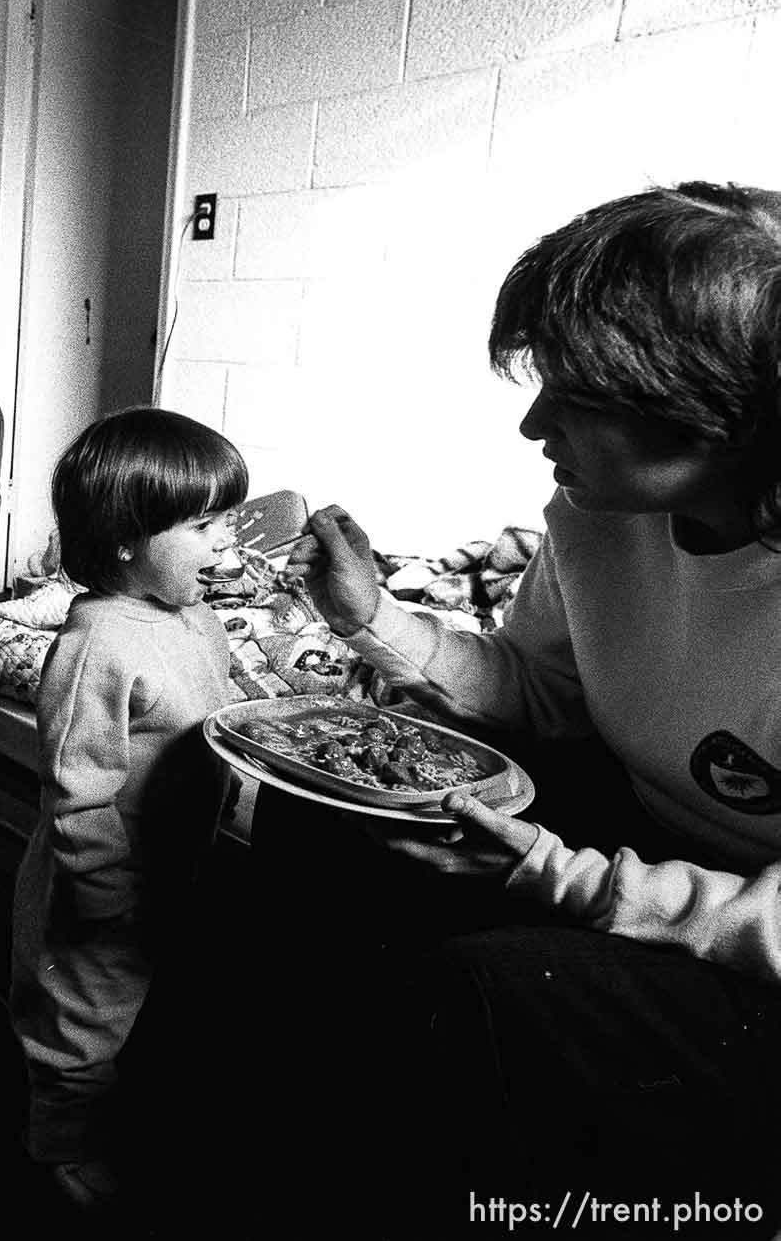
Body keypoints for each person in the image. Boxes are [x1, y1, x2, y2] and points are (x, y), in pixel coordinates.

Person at [263, 181, 781, 1232]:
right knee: (324, 814)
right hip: (645, 834)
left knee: (493, 990)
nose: (536, 420)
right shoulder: (597, 514)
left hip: (754, 941)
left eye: (579, 392)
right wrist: (377, 619)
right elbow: (546, 691)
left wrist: (570, 881)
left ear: (722, 407)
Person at [8, 407, 250, 1216]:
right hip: (100, 884)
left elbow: (220, 712)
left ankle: (133, 1108)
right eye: (205, 528)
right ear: (124, 538)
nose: (225, 547)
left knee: (161, 1000)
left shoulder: (197, 617)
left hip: (181, 862)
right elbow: (77, 795)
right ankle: (62, 1147)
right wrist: (109, 903)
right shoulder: (97, 647)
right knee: (82, 1026)